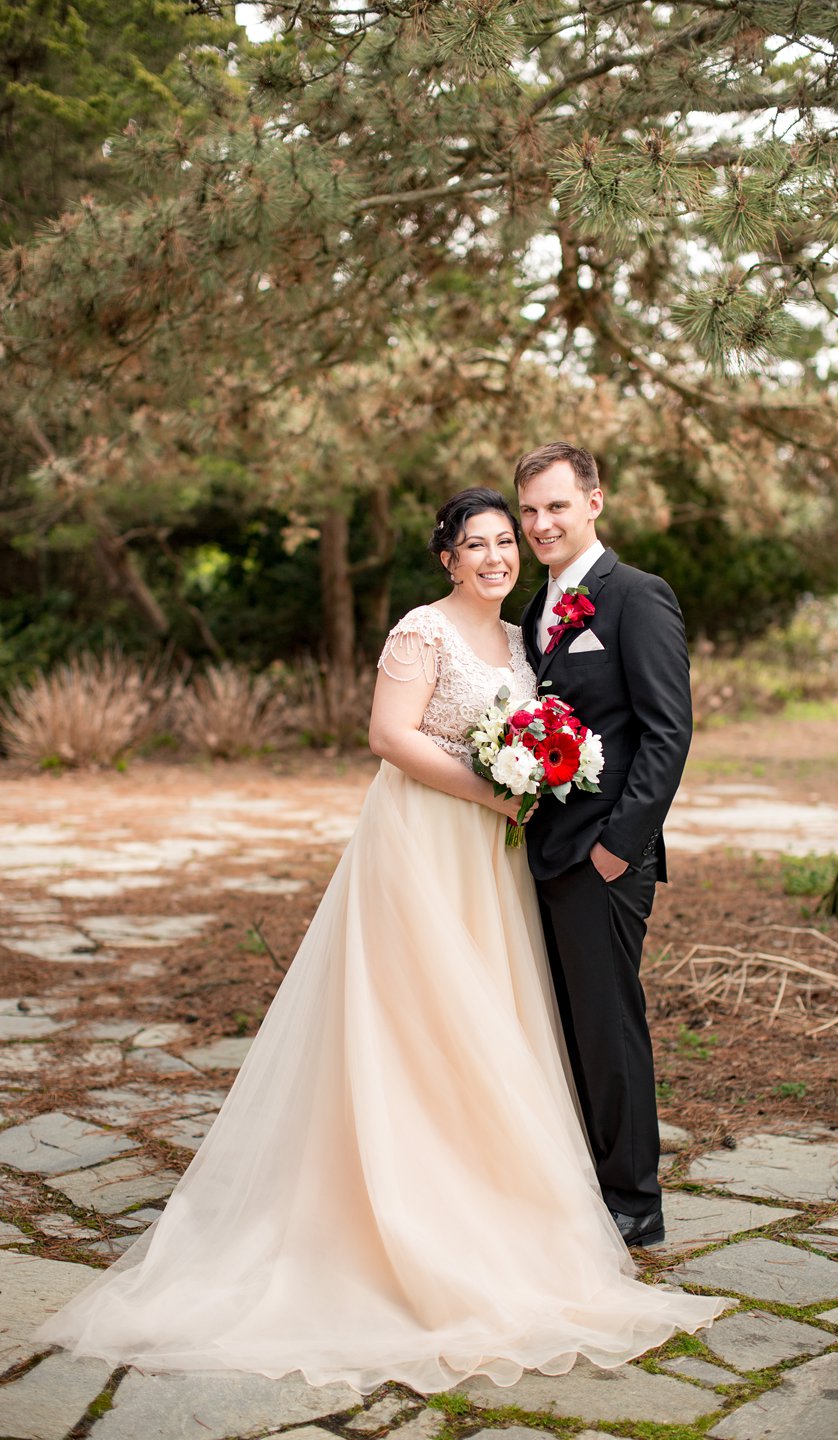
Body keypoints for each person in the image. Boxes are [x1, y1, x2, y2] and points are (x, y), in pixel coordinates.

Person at [35, 488, 724, 1392]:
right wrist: (495, 789)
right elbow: (388, 735)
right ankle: (399, 1201)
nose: (495, 555)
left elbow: (634, 729)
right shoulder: (419, 631)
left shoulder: (527, 637)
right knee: (417, 1018)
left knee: (495, 1023)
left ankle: (531, 1194)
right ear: (447, 559)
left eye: (504, 540)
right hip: (424, 847)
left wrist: (534, 788)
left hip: (498, 860)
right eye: (475, 543)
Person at [516, 443, 692, 1249]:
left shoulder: (637, 598)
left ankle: (634, 1200)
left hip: (604, 859)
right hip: (540, 852)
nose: (541, 523)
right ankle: (585, 1181)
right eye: (530, 511)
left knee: (611, 1023)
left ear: (594, 502)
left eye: (557, 505)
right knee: (564, 1025)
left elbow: (666, 732)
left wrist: (620, 847)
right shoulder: (535, 611)